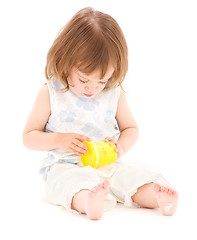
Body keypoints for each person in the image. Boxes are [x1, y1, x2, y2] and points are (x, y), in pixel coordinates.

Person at [23, 7, 178, 220]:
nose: (92, 88)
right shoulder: (52, 92)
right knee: (68, 183)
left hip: (108, 164)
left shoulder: (113, 93)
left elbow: (131, 128)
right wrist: (59, 139)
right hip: (67, 165)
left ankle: (156, 195)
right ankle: (88, 201)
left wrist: (120, 146)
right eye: (84, 80)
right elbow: (29, 137)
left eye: (102, 81)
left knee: (129, 178)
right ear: (66, 61)